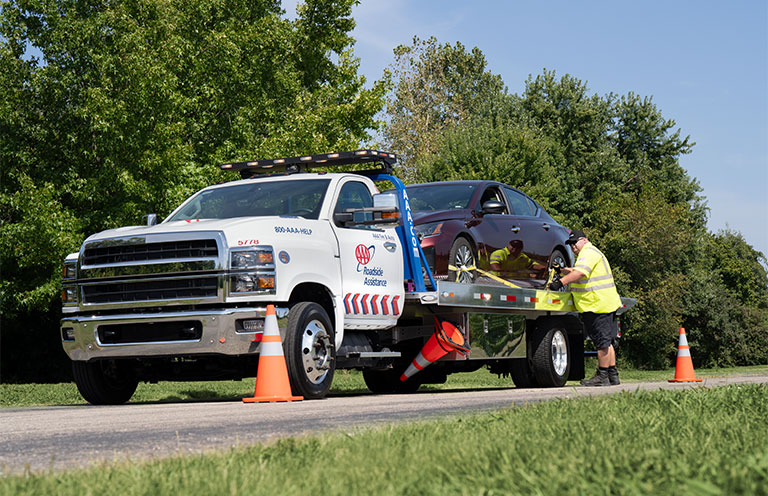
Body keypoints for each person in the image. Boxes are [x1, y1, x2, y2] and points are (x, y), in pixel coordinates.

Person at [548, 230, 622, 386]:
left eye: (575, 242)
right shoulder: (592, 253)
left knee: (601, 343)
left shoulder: (588, 253)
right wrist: (562, 270)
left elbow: (580, 274)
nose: (573, 246)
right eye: (571, 244)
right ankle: (612, 375)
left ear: (584, 240)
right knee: (607, 342)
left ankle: (602, 377)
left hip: (597, 305)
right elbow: (579, 271)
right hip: (603, 303)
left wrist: (560, 282)